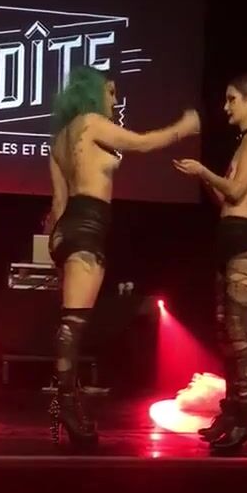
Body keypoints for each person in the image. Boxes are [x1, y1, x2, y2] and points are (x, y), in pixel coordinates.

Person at [47, 65, 200, 445]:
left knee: (72, 321)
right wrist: (184, 128)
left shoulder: (60, 139)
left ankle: (67, 404)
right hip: (87, 226)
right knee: (73, 324)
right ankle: (65, 407)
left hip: (67, 228)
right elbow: (142, 143)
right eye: (111, 91)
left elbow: (58, 202)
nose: (115, 99)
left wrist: (56, 244)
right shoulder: (91, 124)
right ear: (93, 92)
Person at [174, 73, 247, 453]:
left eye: (232, 99)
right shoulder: (244, 141)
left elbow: (238, 190)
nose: (226, 106)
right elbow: (228, 200)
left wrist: (203, 171)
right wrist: (203, 179)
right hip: (228, 240)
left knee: (239, 333)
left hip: (244, 245)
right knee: (226, 334)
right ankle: (231, 415)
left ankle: (246, 421)